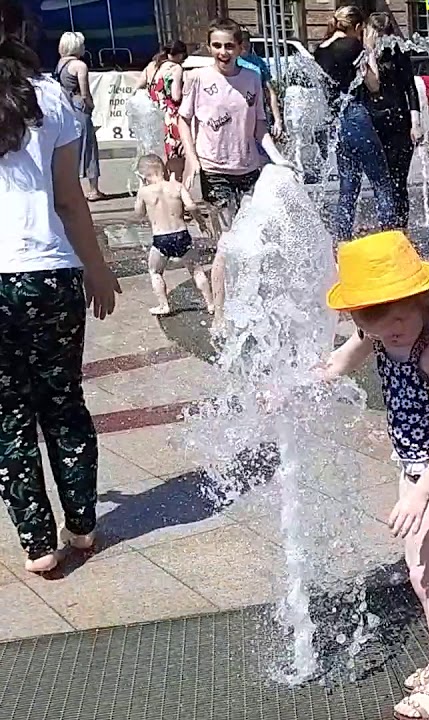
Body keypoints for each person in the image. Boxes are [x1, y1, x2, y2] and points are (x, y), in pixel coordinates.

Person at [322, 231, 429, 717]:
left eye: (398, 319)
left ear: (419, 298)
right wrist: (291, 390)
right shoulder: (375, 331)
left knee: (427, 569)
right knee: (421, 569)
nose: (390, 332)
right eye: (374, 323)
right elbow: (335, 364)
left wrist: (420, 496)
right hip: (413, 463)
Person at [0, 0, 120, 574]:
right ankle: (81, 527)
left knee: (9, 415)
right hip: (52, 272)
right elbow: (70, 200)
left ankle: (38, 544)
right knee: (64, 401)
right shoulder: (50, 96)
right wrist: (97, 267)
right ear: (22, 31)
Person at [179, 18, 272, 329]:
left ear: (240, 47)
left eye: (229, 45)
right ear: (209, 47)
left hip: (248, 168)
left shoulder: (252, 78)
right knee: (228, 242)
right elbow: (184, 120)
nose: (223, 51)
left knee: (254, 239)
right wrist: (192, 159)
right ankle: (220, 311)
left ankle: (253, 301)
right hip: (214, 168)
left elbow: (259, 125)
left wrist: (277, 157)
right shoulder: (197, 79)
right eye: (217, 45)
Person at [313, 6, 399, 241]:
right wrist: (369, 50)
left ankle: (343, 241)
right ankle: (389, 239)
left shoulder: (320, 49)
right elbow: (374, 84)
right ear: (358, 27)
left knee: (348, 187)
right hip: (356, 117)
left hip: (337, 122)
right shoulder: (353, 46)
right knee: (381, 181)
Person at [133, 154, 213, 316]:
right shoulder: (177, 186)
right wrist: (200, 221)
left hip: (161, 239)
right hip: (181, 234)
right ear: (164, 170)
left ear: (143, 175)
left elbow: (139, 214)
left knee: (155, 271)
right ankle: (211, 303)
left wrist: (140, 188)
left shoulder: (145, 192)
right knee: (196, 270)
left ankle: (164, 305)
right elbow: (190, 206)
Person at [367, 12, 423, 228]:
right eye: (374, 31)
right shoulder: (363, 54)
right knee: (382, 181)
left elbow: (410, 88)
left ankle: (400, 228)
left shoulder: (397, 52)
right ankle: (386, 226)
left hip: (399, 122)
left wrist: (415, 123)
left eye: (381, 32)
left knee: (398, 180)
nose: (377, 36)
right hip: (373, 123)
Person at [53, 32, 103, 201]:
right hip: (79, 107)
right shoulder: (79, 65)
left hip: (65, 107)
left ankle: (71, 188)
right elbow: (84, 93)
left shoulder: (60, 64)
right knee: (89, 147)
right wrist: (91, 105)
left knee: (70, 147)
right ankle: (93, 189)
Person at [137, 41, 188, 181]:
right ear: (180, 54)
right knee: (175, 157)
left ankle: (157, 186)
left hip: (154, 114)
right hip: (171, 116)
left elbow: (139, 86)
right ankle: (173, 189)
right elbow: (176, 95)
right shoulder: (175, 68)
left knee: (158, 155)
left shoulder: (151, 66)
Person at [237, 42, 282, 137]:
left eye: (247, 40)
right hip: (240, 116)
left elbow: (269, 92)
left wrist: (277, 119)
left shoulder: (259, 62)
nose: (245, 44)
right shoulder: (232, 62)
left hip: (260, 114)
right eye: (241, 40)